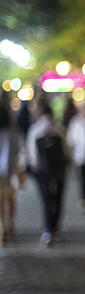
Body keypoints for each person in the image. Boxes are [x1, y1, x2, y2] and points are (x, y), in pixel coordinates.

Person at [26, 99, 70, 246]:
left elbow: (32, 154)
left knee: (45, 198)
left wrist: (35, 167)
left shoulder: (35, 130)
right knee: (58, 197)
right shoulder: (60, 129)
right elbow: (66, 149)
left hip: (42, 171)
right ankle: (56, 227)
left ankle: (48, 229)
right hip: (59, 169)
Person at [0, 93, 20, 245]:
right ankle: (10, 225)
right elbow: (17, 152)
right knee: (10, 198)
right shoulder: (12, 133)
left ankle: (2, 229)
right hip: (9, 171)